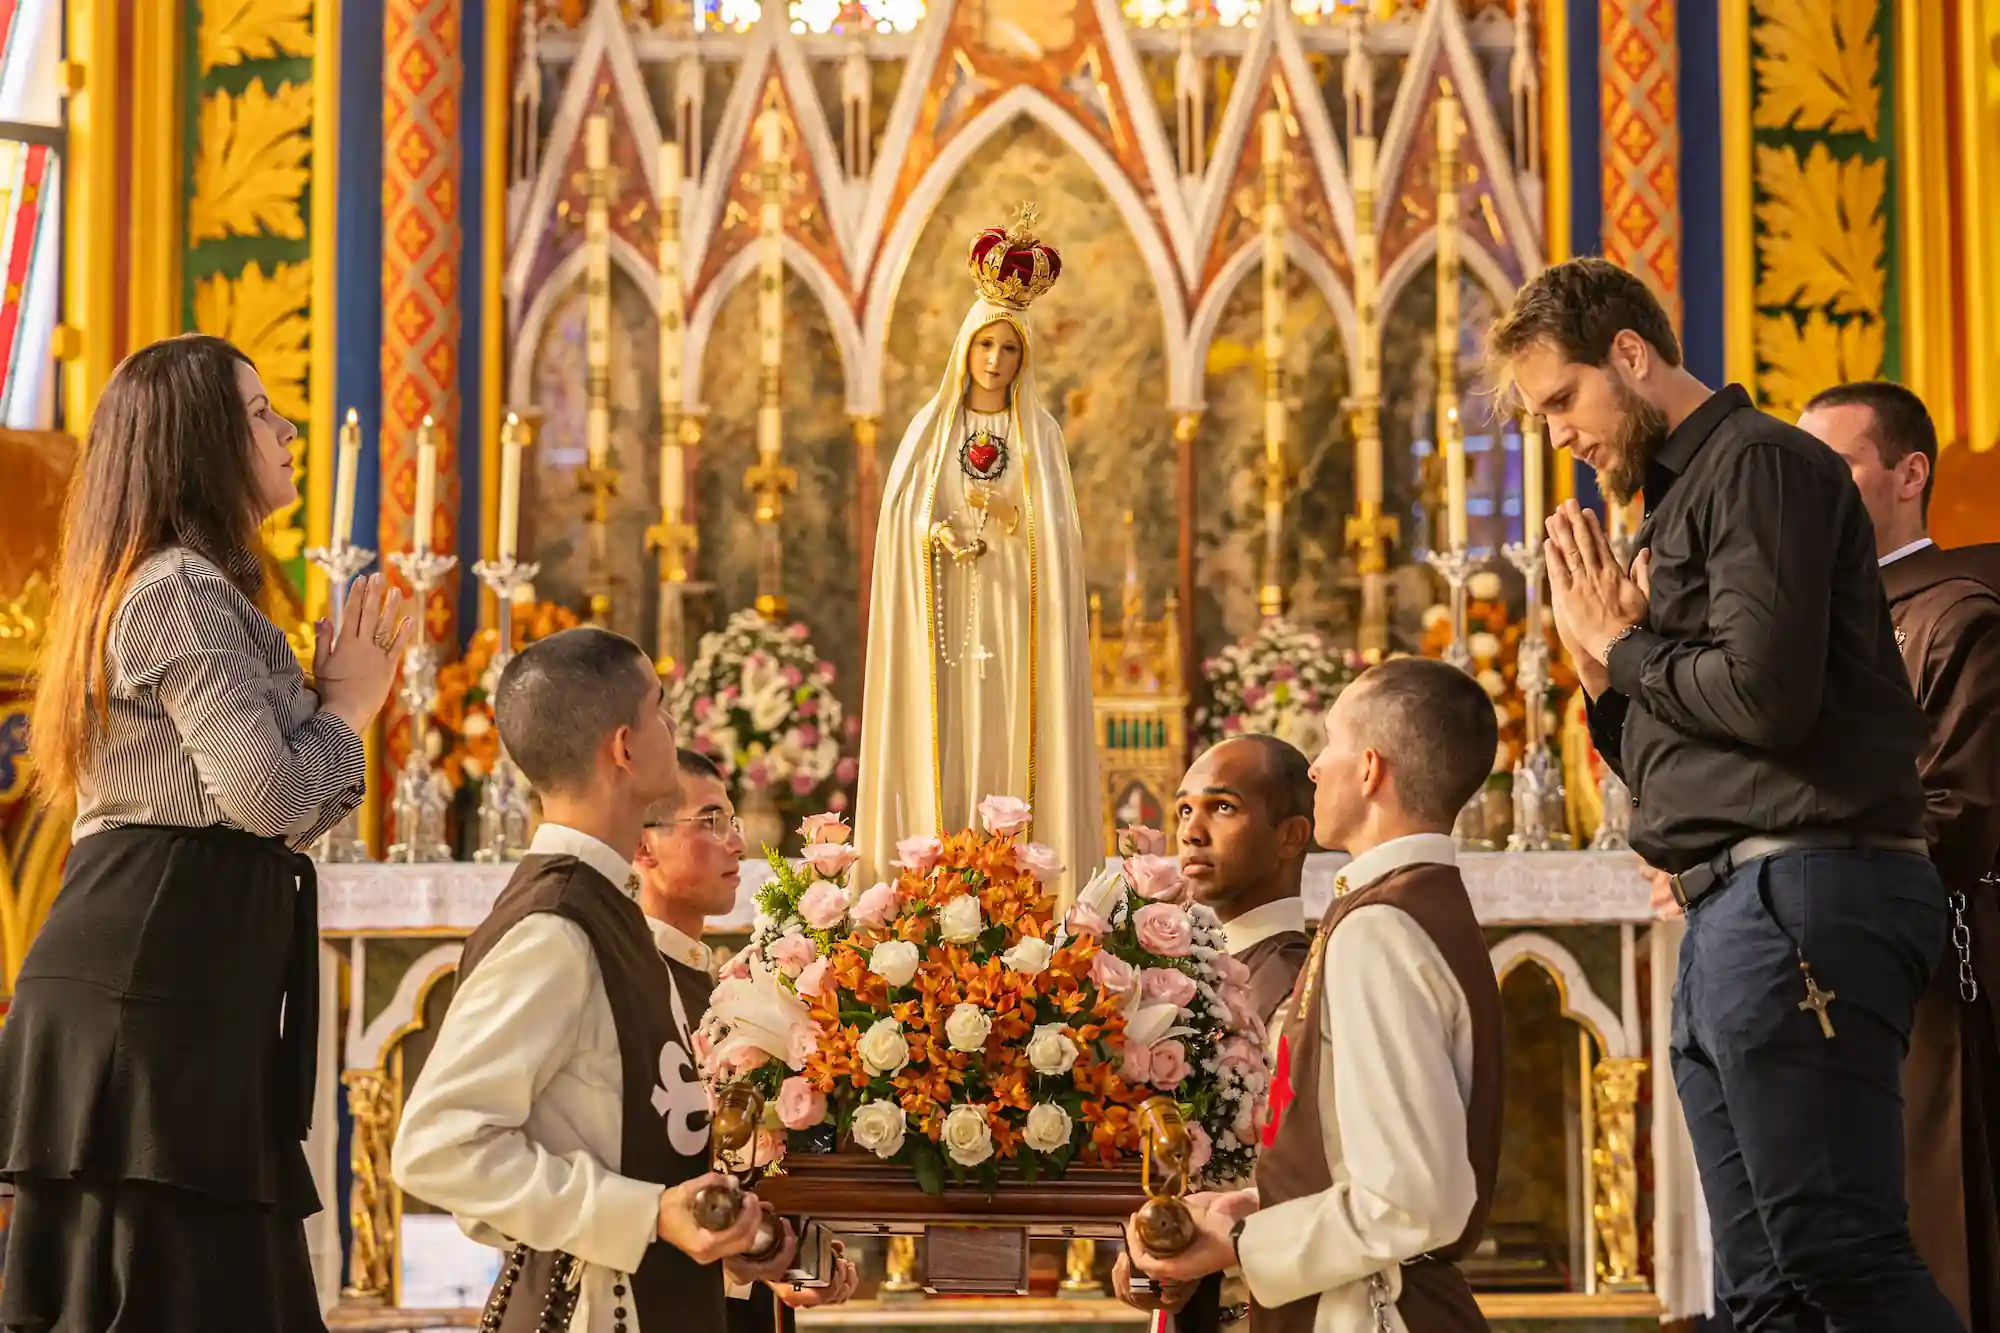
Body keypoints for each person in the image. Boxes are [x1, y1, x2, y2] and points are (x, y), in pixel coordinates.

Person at [1490, 256, 1961, 1330]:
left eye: (1561, 399)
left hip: (1805, 891)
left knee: (1838, 1253)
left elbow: (1764, 700)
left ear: (1628, 353)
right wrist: (1600, 670)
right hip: (1734, 907)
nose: (1557, 435)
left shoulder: (1760, 466)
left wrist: (1623, 643)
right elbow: (1674, 760)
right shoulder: (1675, 502)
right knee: (1757, 1290)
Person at [0, 334, 411, 1331]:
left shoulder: (198, 588)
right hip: (150, 985)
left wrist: (332, 713)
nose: (288, 429)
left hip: (181, 980)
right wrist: (349, 707)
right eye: (260, 412)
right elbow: (271, 796)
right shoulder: (176, 588)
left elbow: (283, 813)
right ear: (198, 442)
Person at [393, 628, 795, 1333]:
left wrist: (728, 1238)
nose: (674, 726)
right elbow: (438, 1146)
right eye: (660, 708)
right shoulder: (555, 927)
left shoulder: (606, 910)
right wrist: (643, 1214)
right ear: (625, 747)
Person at [1125, 657, 1504, 1333]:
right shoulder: (1420, 905)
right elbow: (1367, 1168)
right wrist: (1247, 1205)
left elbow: (1410, 1200)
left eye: (1329, 743)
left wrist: (1243, 1242)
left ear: (1370, 769)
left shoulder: (1381, 928)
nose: (1316, 768)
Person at [1799, 381, 2000, 1332]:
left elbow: (1959, 813)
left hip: (1929, 964)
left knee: (1936, 1220)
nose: (1810, 491)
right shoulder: (1801, 621)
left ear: (1909, 474)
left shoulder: (1961, 616)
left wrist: (1786, 850)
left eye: (1834, 468)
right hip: (1814, 963)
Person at [853, 203, 1100, 899]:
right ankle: (933, 888)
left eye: (1009, 348)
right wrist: (932, 537)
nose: (995, 361)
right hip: (944, 626)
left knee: (1008, 735)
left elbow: (1060, 542)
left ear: (1026, 357)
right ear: (964, 347)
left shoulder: (1040, 435)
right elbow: (901, 522)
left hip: (1016, 627)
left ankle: (1026, 890)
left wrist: (1018, 522)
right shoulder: (929, 432)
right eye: (985, 344)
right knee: (950, 738)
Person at [630, 747, 861, 1328]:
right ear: (643, 845)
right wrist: (756, 1258)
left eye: (732, 821)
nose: (736, 843)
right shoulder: (628, 986)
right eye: (710, 822)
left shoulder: (719, 983)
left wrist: (794, 1251)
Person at [1111, 734, 1317, 1332]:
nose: (1191, 832)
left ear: (1291, 835)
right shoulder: (1170, 972)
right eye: (1183, 810)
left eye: (1222, 807)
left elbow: (1308, 1168)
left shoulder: (1310, 980)